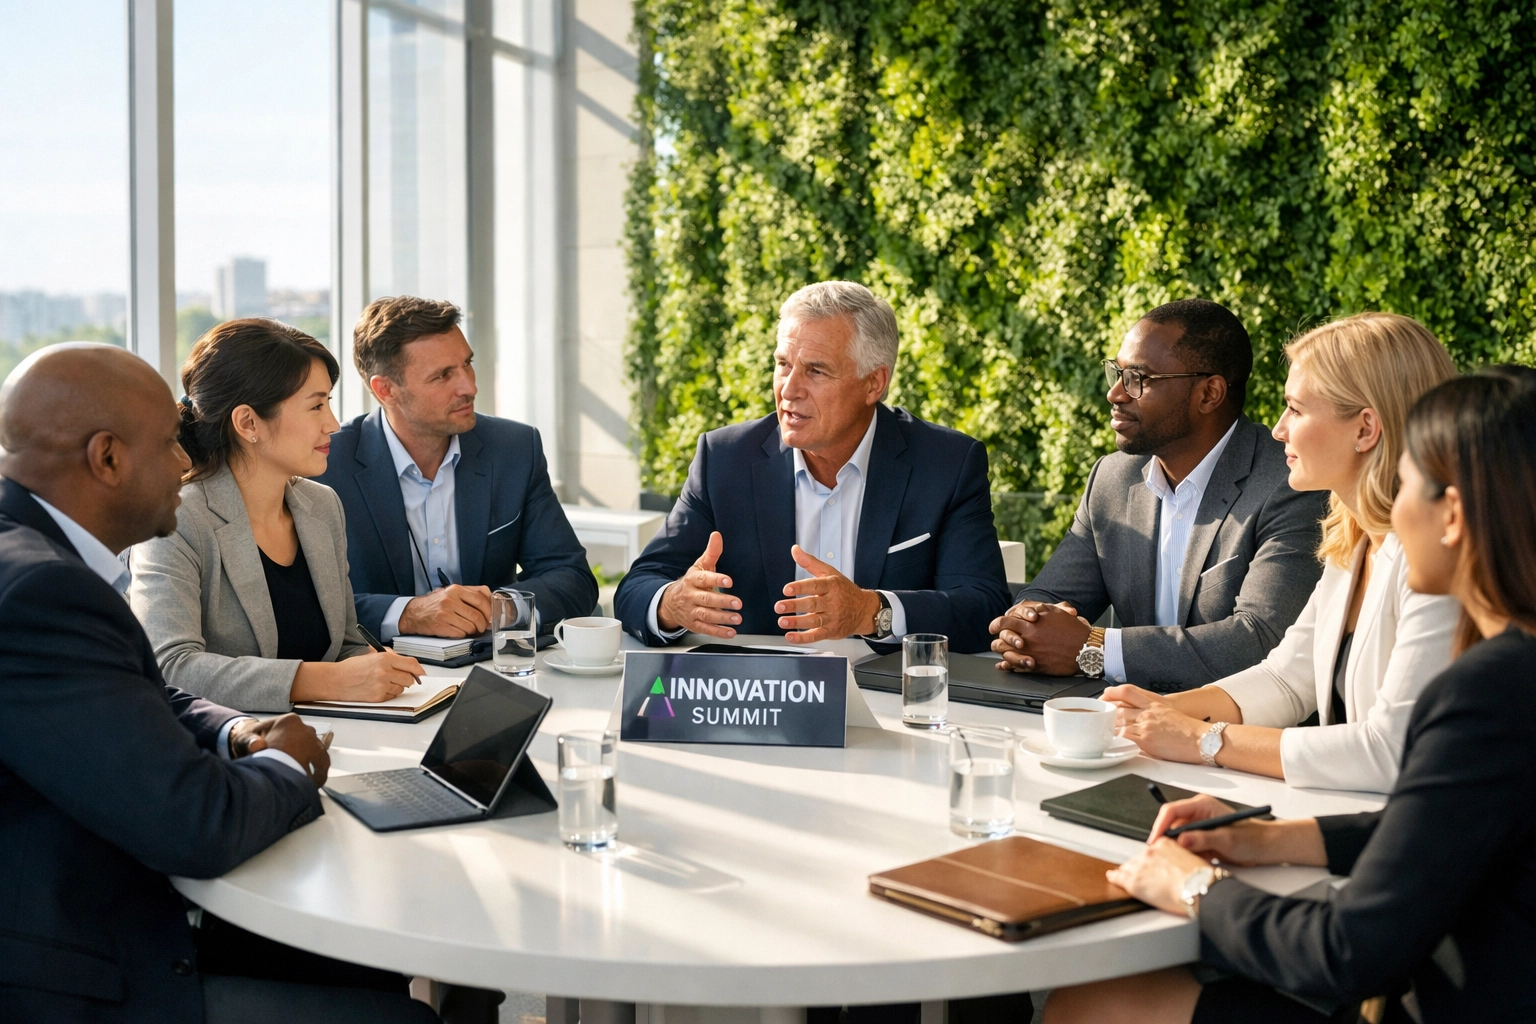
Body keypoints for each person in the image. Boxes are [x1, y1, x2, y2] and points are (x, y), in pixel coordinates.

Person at [1043, 367, 1536, 1024]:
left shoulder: (1490, 688)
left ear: (1452, 516)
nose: (1395, 504)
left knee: (1093, 1001)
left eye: (1409, 481)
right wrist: (1270, 838)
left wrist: (1195, 888)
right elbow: (1448, 824)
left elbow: (1349, 952)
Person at [0, 343, 437, 1023]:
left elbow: (141, 690)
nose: (184, 461)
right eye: (170, 443)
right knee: (402, 1015)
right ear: (108, 458)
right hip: (81, 967)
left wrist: (233, 727)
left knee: (362, 958)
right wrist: (290, 765)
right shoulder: (41, 589)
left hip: (104, 899)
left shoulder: (37, 558)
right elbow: (198, 822)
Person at [1108, 313, 1459, 792]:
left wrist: (1204, 740)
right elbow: (1286, 680)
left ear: (1365, 429)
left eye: (1295, 409)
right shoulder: (1353, 543)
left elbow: (1389, 751)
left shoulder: (1438, 564)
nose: (1277, 430)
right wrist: (1148, 711)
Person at [613, 281, 1011, 652]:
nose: (788, 390)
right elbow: (636, 588)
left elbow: (983, 607)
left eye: (815, 370)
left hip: (890, 699)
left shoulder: (947, 464)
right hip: (761, 702)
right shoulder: (725, 459)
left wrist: (872, 611)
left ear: (874, 383)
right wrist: (672, 603)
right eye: (783, 364)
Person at [991, 299, 1330, 690]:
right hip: (1124, 724)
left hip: (1237, 734)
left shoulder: (1290, 484)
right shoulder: (1112, 479)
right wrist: (1026, 626)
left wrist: (1096, 649)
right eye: (1117, 373)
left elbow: (1259, 641)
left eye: (1138, 378)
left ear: (1209, 394)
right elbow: (1049, 595)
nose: (1116, 394)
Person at [130, 319, 424, 713]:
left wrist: (387, 675)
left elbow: (347, 643)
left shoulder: (322, 505)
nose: (332, 425)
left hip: (335, 735)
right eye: (316, 405)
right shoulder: (179, 519)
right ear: (248, 423)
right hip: (231, 749)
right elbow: (170, 667)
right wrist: (325, 680)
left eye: (329, 404)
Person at [317, 296, 597, 641]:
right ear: (385, 390)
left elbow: (572, 577)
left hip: (494, 672)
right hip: (378, 676)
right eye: (443, 375)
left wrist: (502, 608)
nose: (469, 387)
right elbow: (308, 605)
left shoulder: (515, 449)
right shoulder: (325, 465)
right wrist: (408, 615)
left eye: (467, 364)